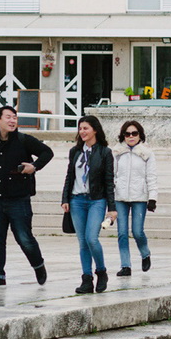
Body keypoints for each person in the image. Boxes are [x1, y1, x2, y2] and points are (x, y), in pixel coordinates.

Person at [0, 106, 54, 288]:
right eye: (8, 117)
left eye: (14, 117)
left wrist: (35, 166)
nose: (12, 121)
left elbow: (47, 152)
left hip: (19, 199)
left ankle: (38, 265)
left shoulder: (24, 140)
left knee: (24, 238)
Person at [61, 115, 116, 294]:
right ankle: (86, 279)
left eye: (85, 128)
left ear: (95, 130)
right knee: (82, 242)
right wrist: (65, 199)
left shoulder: (105, 152)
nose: (82, 132)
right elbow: (70, 176)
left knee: (92, 238)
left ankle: (101, 271)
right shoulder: (75, 151)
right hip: (77, 200)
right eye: (80, 128)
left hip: (96, 200)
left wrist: (112, 208)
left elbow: (109, 181)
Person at [112, 120, 158, 277]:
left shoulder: (147, 153)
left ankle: (145, 253)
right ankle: (125, 265)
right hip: (120, 197)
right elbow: (111, 175)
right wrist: (110, 196)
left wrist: (152, 198)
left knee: (137, 231)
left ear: (140, 135)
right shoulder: (117, 152)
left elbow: (151, 177)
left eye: (134, 133)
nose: (131, 136)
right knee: (122, 233)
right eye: (127, 134)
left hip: (139, 196)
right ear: (123, 135)